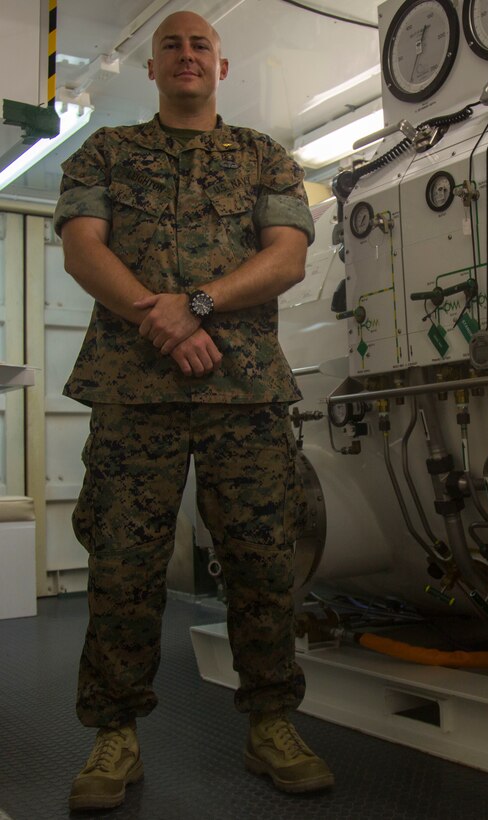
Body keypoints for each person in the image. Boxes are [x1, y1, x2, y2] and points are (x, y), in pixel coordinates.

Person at [54, 11, 333, 811]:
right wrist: (159, 317)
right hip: (132, 390)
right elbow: (84, 247)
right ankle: (114, 736)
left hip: (241, 389)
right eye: (170, 45)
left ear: (221, 65)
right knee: (121, 564)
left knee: (261, 559)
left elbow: (286, 256)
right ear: (151, 69)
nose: (185, 55)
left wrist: (198, 304)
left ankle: (272, 721)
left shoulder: (263, 156)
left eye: (199, 45)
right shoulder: (106, 151)